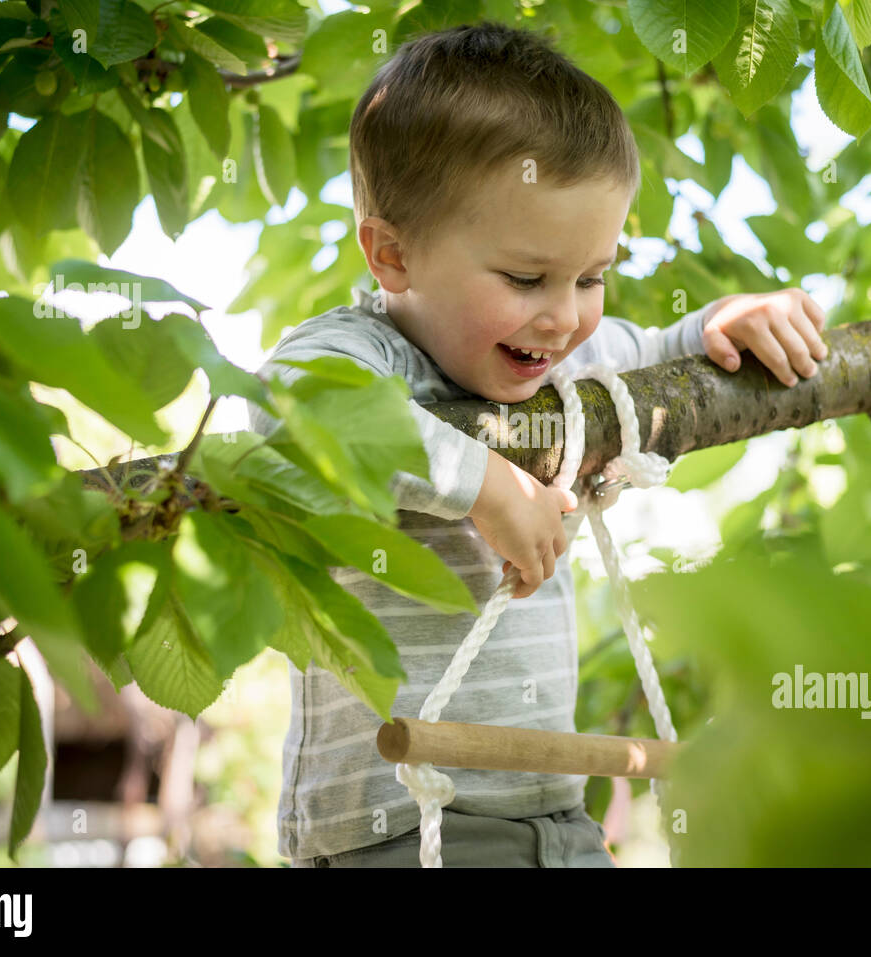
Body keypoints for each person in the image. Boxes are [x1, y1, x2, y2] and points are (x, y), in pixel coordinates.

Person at [248, 20, 828, 867]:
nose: (564, 315)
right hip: (400, 823)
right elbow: (292, 410)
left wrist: (723, 323)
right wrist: (483, 482)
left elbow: (664, 356)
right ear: (393, 254)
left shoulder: (569, 360)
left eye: (591, 276)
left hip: (557, 811)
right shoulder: (360, 353)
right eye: (526, 279)